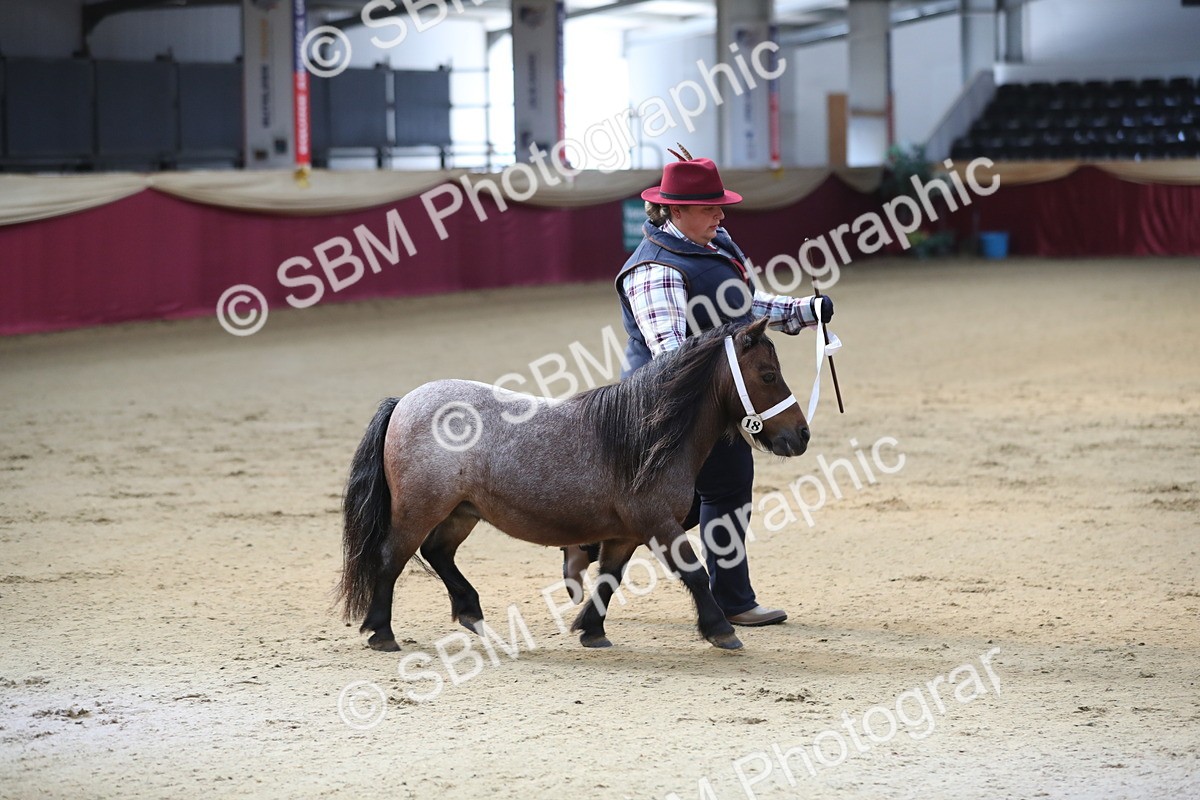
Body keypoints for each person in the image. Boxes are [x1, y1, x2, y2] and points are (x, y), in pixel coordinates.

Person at [562, 152, 835, 626]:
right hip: (663, 409)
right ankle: (587, 539)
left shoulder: (715, 243)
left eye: (720, 206)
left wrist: (802, 312)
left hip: (717, 401)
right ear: (676, 211)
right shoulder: (653, 269)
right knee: (673, 505)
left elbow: (743, 305)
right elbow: (669, 357)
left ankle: (733, 598)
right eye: (710, 207)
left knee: (727, 487)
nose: (721, 215)